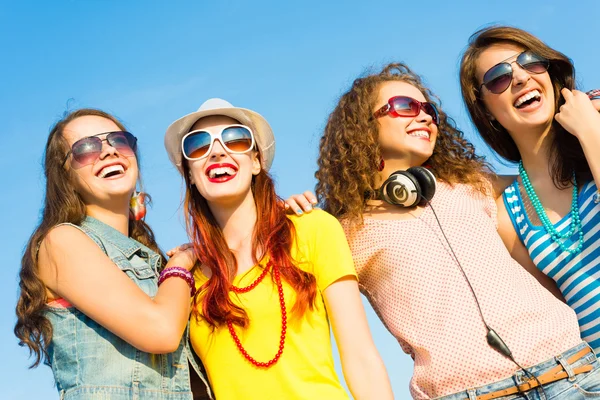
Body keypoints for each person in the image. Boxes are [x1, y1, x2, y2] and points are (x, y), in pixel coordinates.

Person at [286, 63, 600, 399]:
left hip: (573, 373)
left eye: (428, 109)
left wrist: (586, 124)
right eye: (405, 107)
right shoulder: (343, 231)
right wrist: (286, 214)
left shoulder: (472, 185)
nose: (423, 117)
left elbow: (549, 176)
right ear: (364, 128)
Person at [163, 98, 393, 400]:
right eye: (198, 145)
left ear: (257, 161)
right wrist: (177, 267)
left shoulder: (312, 229)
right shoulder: (187, 276)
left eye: (235, 139)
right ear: (189, 174)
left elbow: (361, 357)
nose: (217, 151)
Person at [14, 109, 212, 399]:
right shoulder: (61, 241)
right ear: (65, 176)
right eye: (86, 148)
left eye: (119, 141)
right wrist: (182, 262)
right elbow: (161, 331)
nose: (108, 152)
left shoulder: (160, 269)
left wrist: (283, 217)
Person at [459, 25, 600, 352]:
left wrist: (589, 129)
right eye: (498, 77)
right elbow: (560, 322)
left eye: (531, 61)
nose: (521, 77)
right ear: (486, 111)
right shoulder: (510, 212)